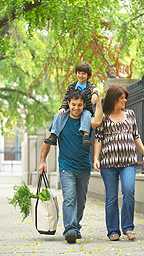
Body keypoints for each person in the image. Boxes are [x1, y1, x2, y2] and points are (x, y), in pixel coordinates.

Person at [39, 90, 103, 244]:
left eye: (80, 105)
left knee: (80, 201)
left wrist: (99, 100)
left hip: (84, 167)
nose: (76, 108)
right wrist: (42, 161)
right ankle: (70, 229)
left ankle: (76, 226)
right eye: (73, 104)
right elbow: (48, 141)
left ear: (83, 105)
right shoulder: (61, 119)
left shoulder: (86, 119)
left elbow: (99, 121)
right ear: (68, 103)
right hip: (66, 166)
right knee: (69, 197)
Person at [93, 85, 144, 241]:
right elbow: (98, 139)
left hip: (128, 162)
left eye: (125, 97)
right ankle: (113, 230)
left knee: (129, 191)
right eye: (121, 98)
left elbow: (136, 136)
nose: (125, 100)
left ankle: (128, 228)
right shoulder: (103, 117)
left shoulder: (130, 114)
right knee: (111, 197)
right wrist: (96, 158)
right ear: (114, 99)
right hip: (108, 163)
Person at [44, 63, 99, 146]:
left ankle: (85, 136)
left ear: (88, 75)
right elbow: (66, 98)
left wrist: (95, 95)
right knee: (59, 114)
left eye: (83, 74)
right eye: (79, 73)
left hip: (85, 109)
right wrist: (62, 108)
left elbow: (95, 91)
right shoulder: (71, 86)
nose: (81, 75)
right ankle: (53, 135)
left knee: (87, 115)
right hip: (72, 109)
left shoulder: (90, 86)